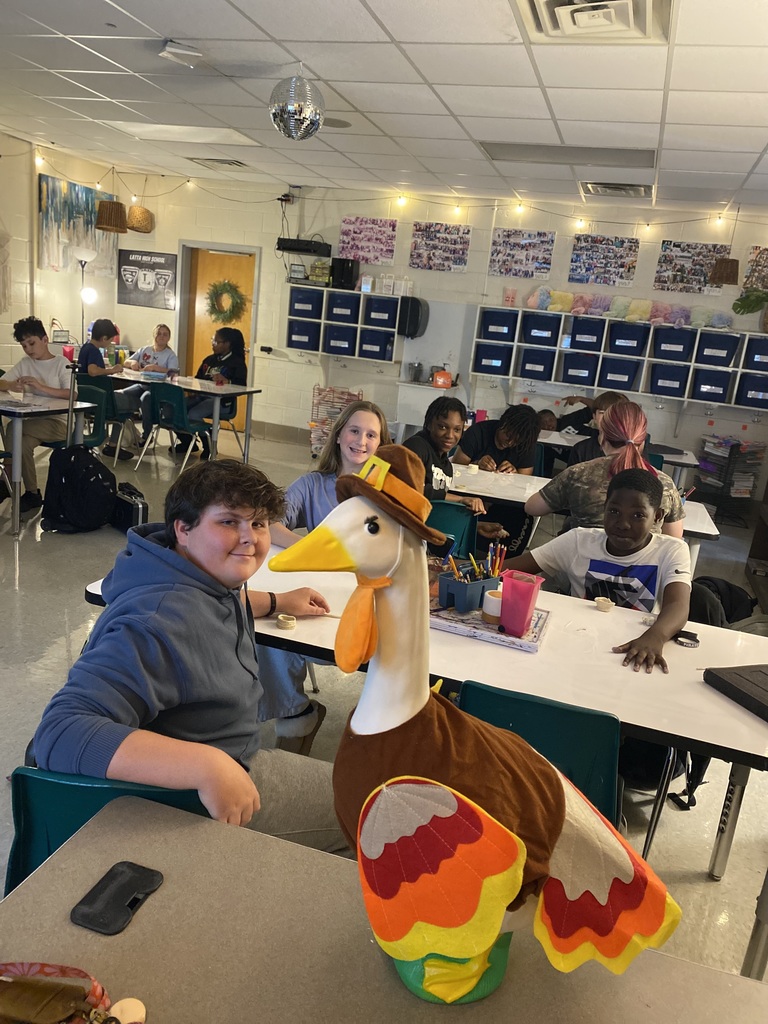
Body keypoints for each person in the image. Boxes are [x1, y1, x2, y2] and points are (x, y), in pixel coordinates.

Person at [32, 459, 348, 854]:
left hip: (230, 759)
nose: (249, 538)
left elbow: (214, 603)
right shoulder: (156, 622)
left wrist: (277, 601)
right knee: (379, 820)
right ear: (183, 528)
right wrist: (206, 767)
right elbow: (60, 733)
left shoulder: (190, 572)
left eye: (260, 523)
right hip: (198, 798)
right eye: (230, 522)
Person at [259, 401, 390, 753]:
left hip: (369, 604)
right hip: (323, 595)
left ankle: (382, 734)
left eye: (371, 434)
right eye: (354, 430)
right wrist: (310, 549)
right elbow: (270, 522)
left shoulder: (388, 494)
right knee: (273, 630)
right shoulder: (313, 483)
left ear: (381, 444)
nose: (361, 440)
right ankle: (295, 713)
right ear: (338, 436)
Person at [504, 468, 692, 673]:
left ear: (657, 516)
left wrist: (655, 636)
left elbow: (678, 605)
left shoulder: (671, 550)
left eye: (638, 515)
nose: (623, 523)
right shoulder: (579, 541)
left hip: (635, 647)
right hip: (575, 645)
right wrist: (468, 568)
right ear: (604, 508)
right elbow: (506, 569)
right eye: (614, 511)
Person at [525, 401, 684, 537]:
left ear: (603, 437)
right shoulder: (665, 484)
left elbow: (532, 507)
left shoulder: (579, 474)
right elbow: (674, 539)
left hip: (580, 565)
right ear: (642, 442)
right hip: (640, 570)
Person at [0, 316, 71, 512]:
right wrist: (11, 384)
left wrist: (41, 386)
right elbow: (1, 381)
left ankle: (6, 474)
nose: (28, 349)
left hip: (59, 423)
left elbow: (71, 394)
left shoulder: (61, 362)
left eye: (31, 343)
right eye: (24, 345)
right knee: (20, 443)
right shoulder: (25, 363)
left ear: (45, 340)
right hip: (33, 422)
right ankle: (32, 493)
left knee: (13, 427)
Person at [452, 403, 541, 552]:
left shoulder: (525, 444)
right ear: (503, 423)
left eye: (517, 440)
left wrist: (514, 473)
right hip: (473, 498)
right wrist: (476, 464)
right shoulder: (478, 432)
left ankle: (508, 558)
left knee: (522, 513)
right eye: (509, 435)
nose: (511, 442)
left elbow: (526, 479)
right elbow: (456, 468)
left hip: (503, 503)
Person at [402, 395, 485, 514]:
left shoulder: (447, 467)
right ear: (429, 424)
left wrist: (478, 526)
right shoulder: (416, 446)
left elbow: (437, 512)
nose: (450, 435)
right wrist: (460, 499)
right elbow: (410, 487)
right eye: (443, 427)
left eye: (457, 430)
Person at [173, 327, 247, 458]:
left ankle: (208, 445)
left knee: (193, 414)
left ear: (227, 344)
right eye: (213, 340)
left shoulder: (237, 363)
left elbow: (242, 386)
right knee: (173, 408)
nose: (213, 344)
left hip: (222, 401)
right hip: (201, 396)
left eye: (216, 342)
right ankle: (187, 441)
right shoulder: (209, 360)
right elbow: (198, 378)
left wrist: (227, 381)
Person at [117, 323, 180, 449]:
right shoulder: (145, 350)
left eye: (165, 334)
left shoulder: (170, 355)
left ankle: (147, 435)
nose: (161, 336)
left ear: (168, 338)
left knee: (145, 398)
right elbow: (126, 362)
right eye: (159, 333)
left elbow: (174, 372)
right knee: (121, 394)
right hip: (142, 384)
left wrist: (156, 368)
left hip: (159, 389)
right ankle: (126, 429)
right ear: (154, 335)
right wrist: (133, 362)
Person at [567, 391, 629, 466]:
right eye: (602, 413)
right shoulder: (580, 449)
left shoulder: (633, 449)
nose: (607, 418)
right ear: (594, 416)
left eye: (613, 413)